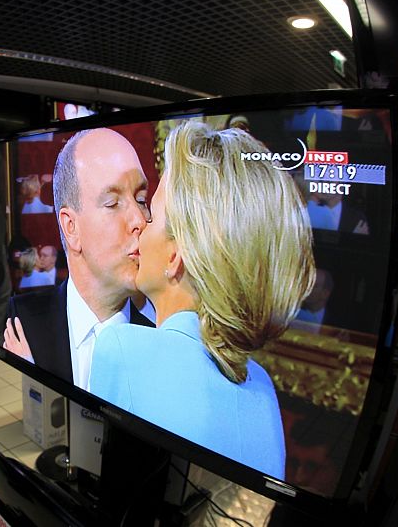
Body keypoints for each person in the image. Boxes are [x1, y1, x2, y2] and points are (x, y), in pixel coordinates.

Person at [89, 122, 316, 479]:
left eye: (152, 214)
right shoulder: (263, 389)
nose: (138, 224)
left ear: (175, 254)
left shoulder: (121, 348)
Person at [4, 128, 156, 388]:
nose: (140, 220)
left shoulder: (163, 339)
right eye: (113, 203)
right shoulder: (22, 323)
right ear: (71, 227)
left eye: (141, 199)